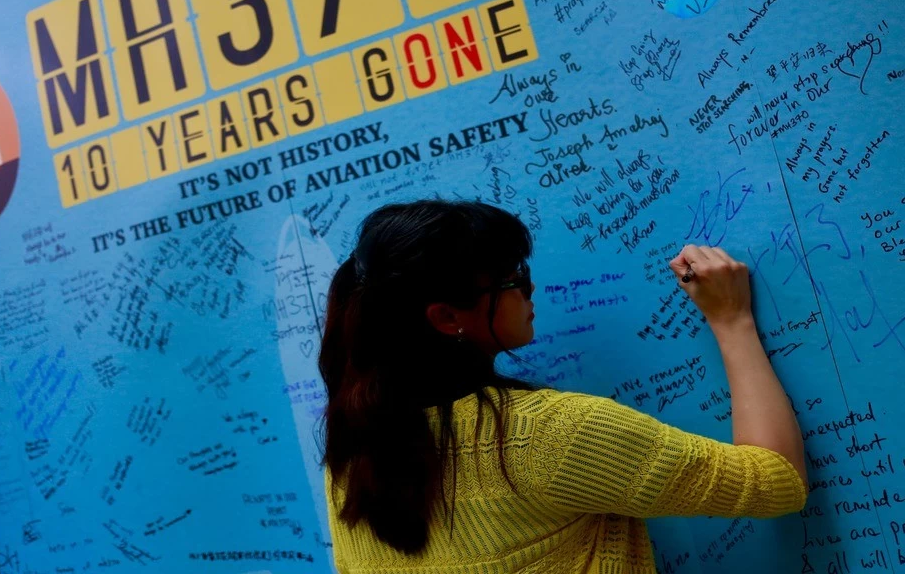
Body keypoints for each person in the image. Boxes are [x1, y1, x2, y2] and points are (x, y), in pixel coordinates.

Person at [319, 200, 807, 572]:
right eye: (514, 279)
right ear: (447, 318)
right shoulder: (548, 435)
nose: (530, 289)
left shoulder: (353, 457)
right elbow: (775, 483)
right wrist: (732, 319)